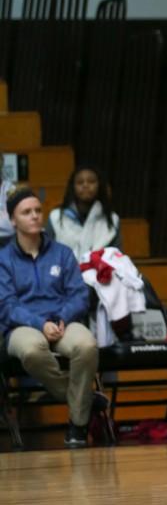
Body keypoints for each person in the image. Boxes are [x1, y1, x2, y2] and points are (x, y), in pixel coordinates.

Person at [0, 188, 101, 447]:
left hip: (61, 321)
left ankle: (77, 428)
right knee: (33, 349)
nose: (34, 216)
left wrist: (61, 318)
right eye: (26, 212)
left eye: (37, 210)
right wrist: (39, 324)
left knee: (87, 345)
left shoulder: (62, 253)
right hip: (21, 325)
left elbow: (79, 296)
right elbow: (7, 305)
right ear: (12, 220)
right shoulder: (3, 259)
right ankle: (81, 401)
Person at [46, 166, 121, 261]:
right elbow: (46, 253)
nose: (85, 185)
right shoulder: (56, 217)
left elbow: (117, 258)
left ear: (99, 185)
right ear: (73, 187)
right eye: (80, 182)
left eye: (91, 181)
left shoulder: (112, 220)